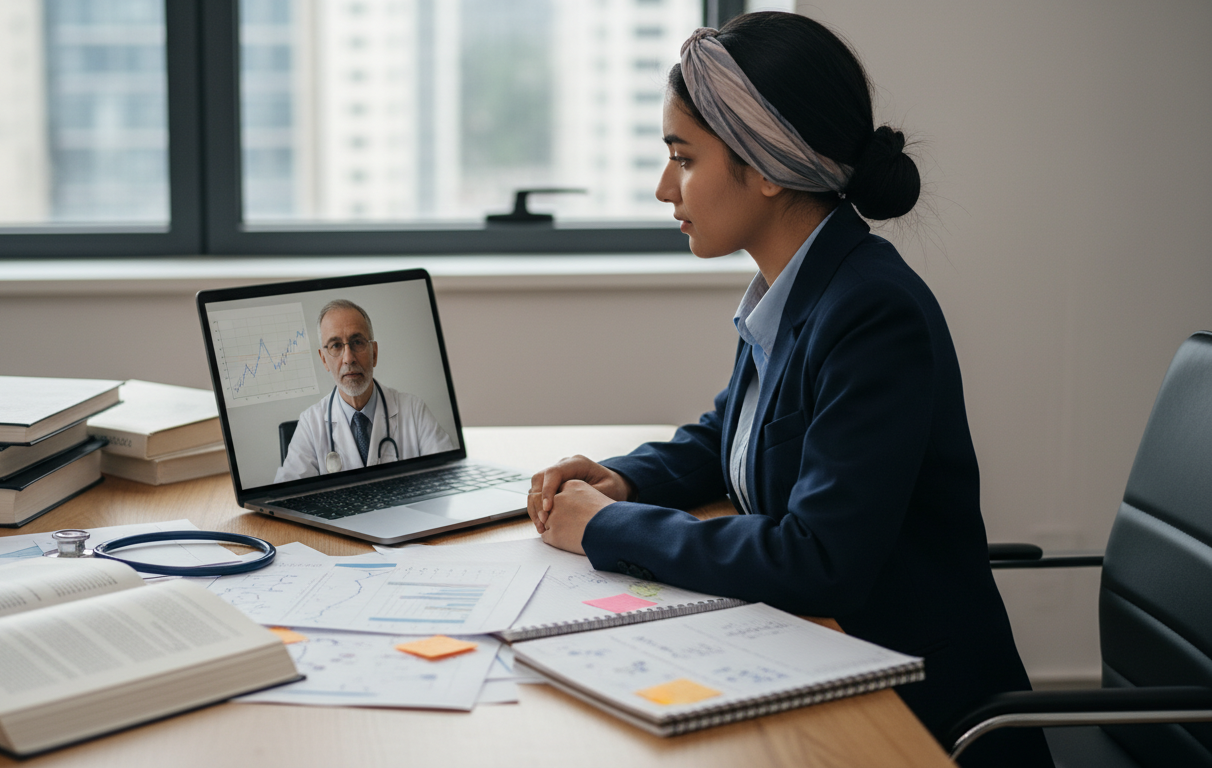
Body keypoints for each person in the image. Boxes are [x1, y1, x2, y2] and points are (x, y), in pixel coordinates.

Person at [526, 13, 1051, 768]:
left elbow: (819, 557)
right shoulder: (800, 281)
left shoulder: (873, 312)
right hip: (821, 661)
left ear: (767, 167)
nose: (662, 187)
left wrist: (607, 528)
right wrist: (627, 478)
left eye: (683, 158)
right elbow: (731, 435)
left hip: (915, 715)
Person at [275, 299, 453, 482]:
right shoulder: (310, 425)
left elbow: (449, 478)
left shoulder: (414, 410)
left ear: (374, 353)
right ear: (324, 360)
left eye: (357, 342)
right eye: (336, 345)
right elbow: (284, 498)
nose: (348, 358)